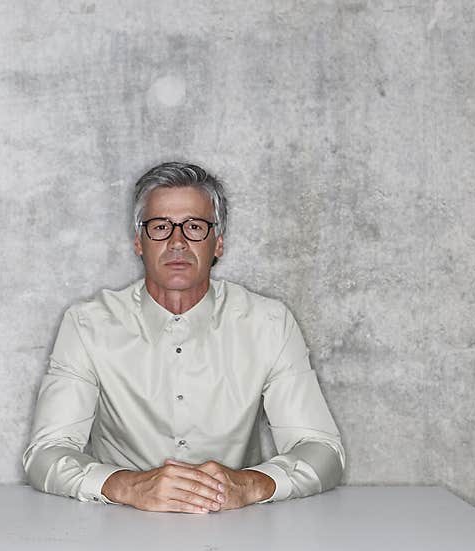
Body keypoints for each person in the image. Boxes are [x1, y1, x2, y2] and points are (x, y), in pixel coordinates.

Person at [22, 162, 345, 513]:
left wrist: (248, 484)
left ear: (218, 243)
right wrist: (129, 485)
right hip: (116, 528)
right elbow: (46, 452)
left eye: (194, 227)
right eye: (161, 227)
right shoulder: (87, 325)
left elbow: (321, 448)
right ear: (138, 242)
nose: (177, 242)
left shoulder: (269, 323)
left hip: (239, 530)